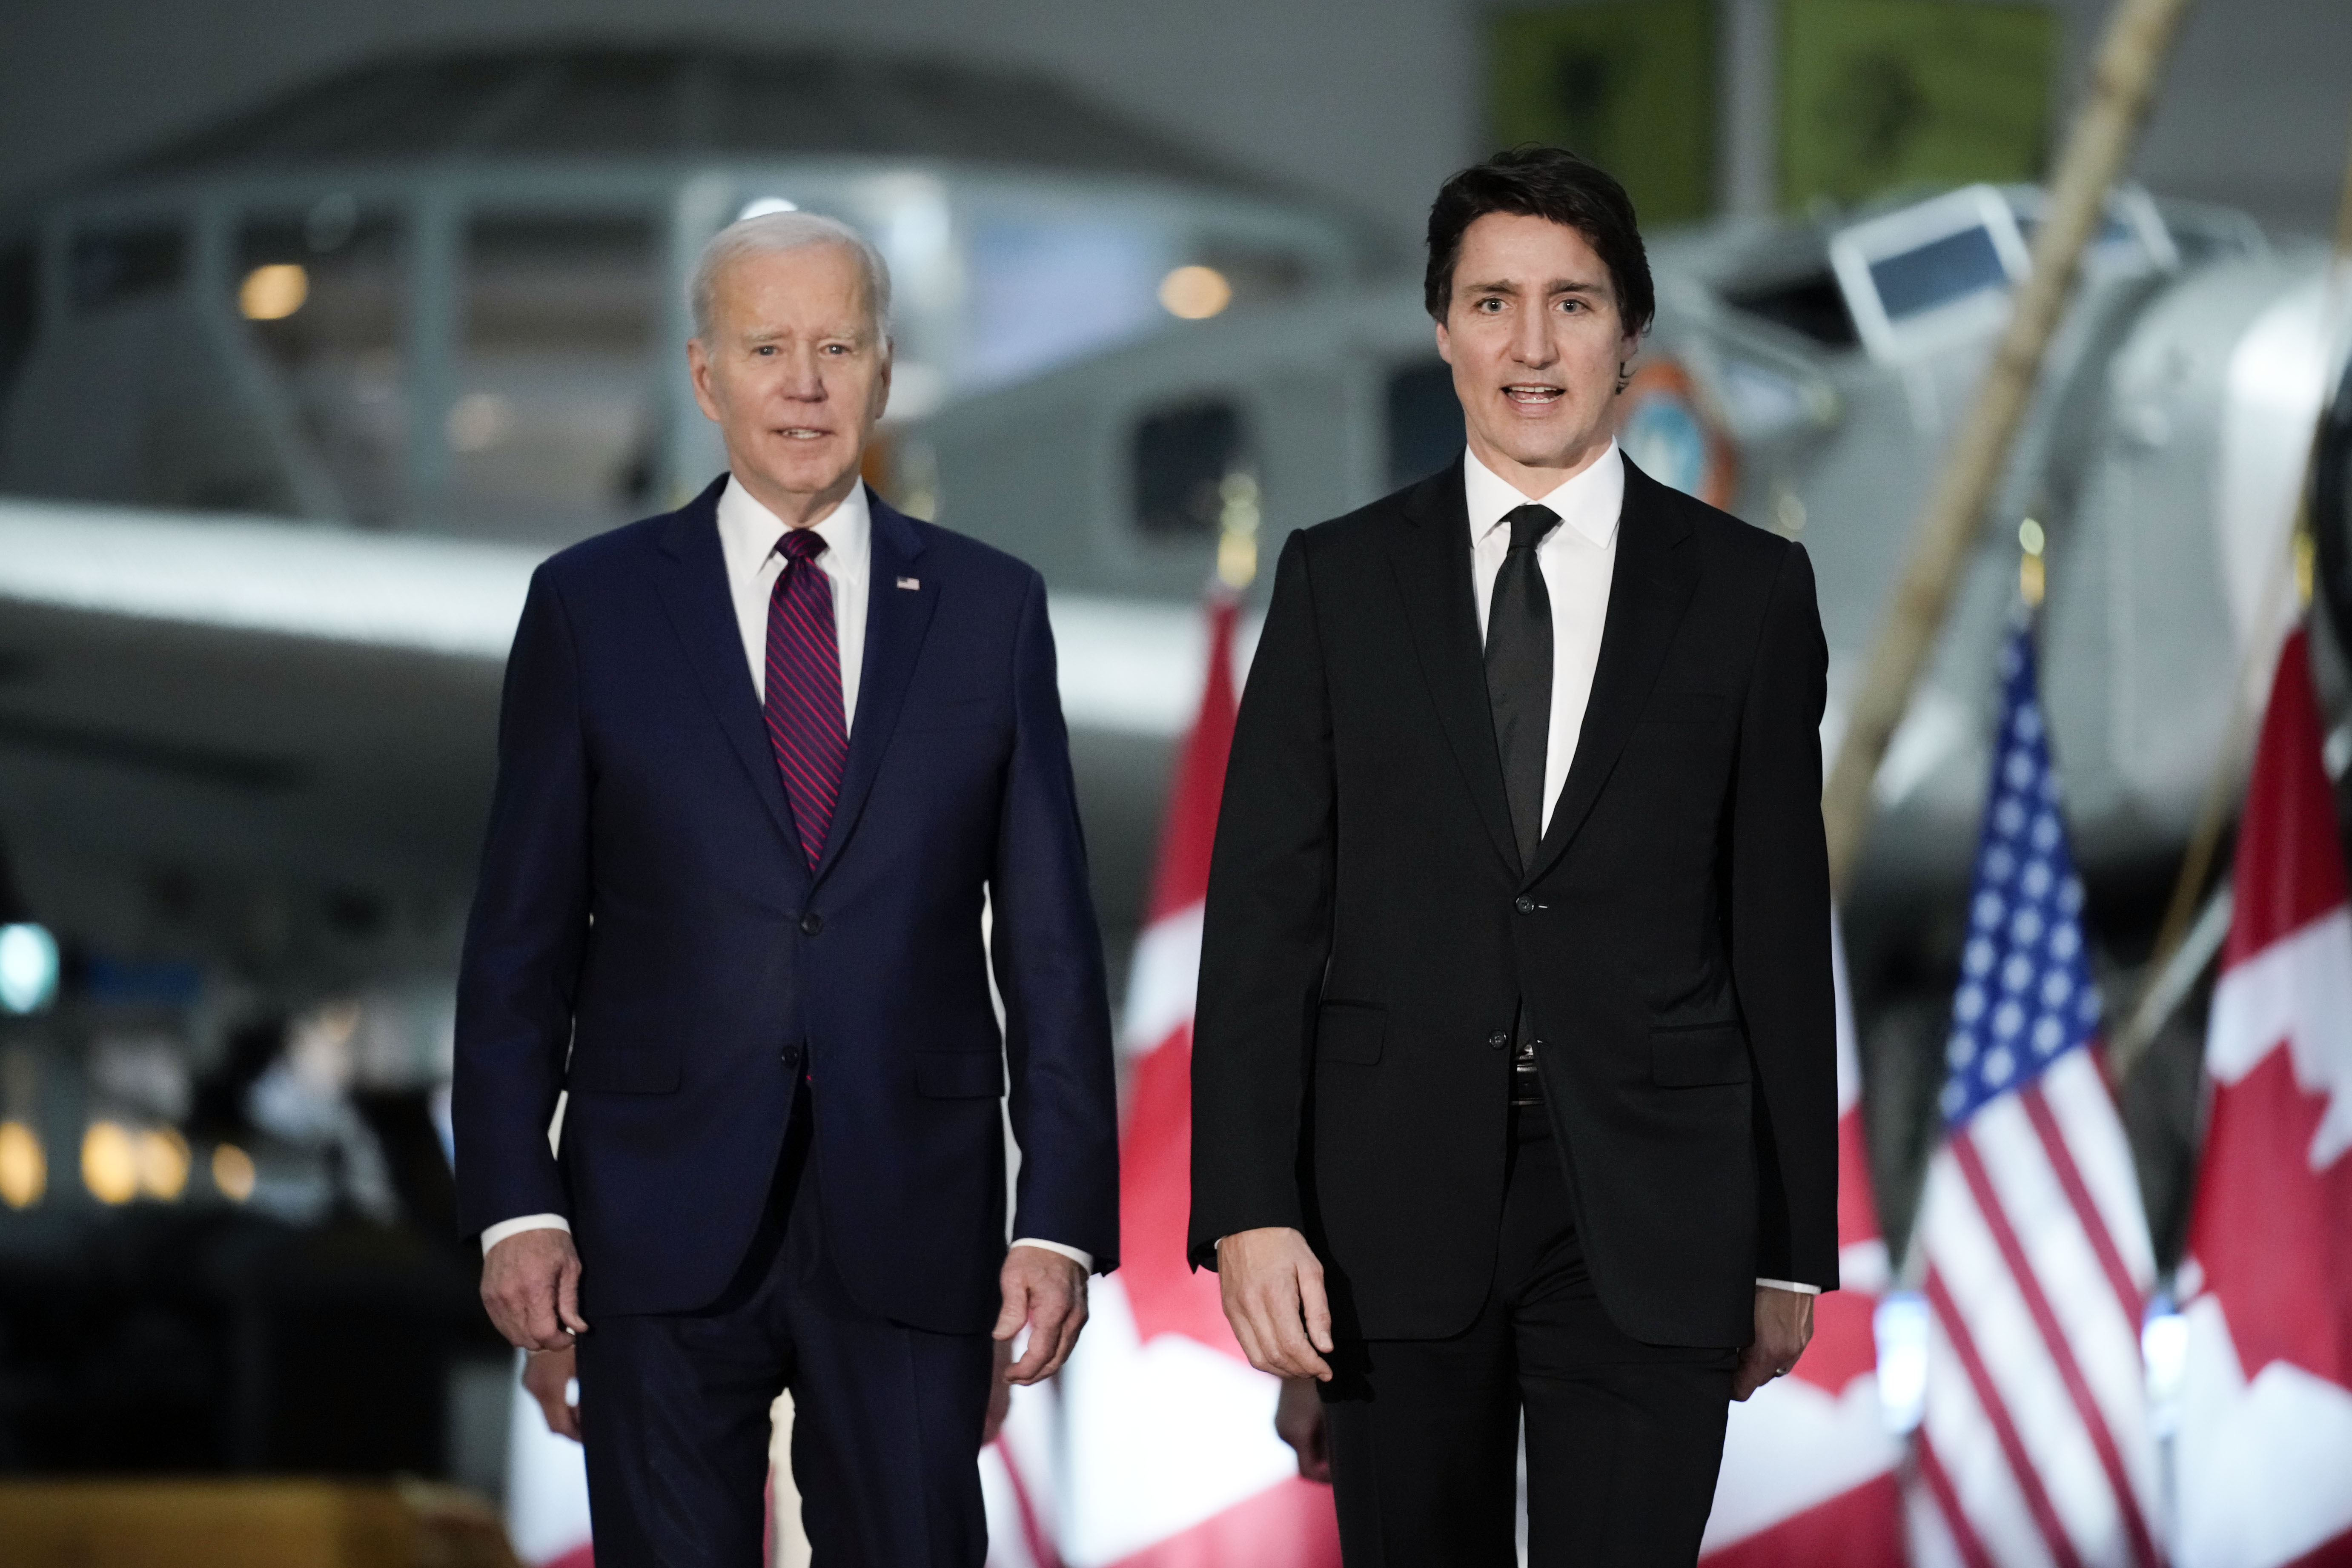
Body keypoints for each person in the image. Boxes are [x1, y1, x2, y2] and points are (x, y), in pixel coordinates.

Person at [1189, 146, 1836, 1567]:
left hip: (1656, 1204)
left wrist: (1793, 1241)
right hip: (1387, 1205)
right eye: (1492, 302)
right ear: (1442, 330)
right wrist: (1249, 1204)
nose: (1531, 347)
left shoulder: (1748, 595)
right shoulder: (1335, 583)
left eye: (1573, 304)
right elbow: (1261, 924)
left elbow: (1780, 933)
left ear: (1631, 337)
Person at [453, 210, 1119, 1568]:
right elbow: (520, 941)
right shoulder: (591, 608)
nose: (805, 384)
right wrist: (518, 1202)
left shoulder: (992, 611)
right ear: (706, 376)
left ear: (883, 371)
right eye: (769, 348)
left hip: (914, 1217)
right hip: (650, 1222)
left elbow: (1050, 948)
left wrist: (1057, 1219)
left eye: (837, 346)